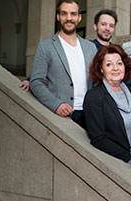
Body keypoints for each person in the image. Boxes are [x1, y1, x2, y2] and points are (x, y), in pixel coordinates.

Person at [29, 0, 97, 128]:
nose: (69, 18)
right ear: (58, 17)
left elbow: (96, 81)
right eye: (64, 14)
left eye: (73, 14)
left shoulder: (90, 47)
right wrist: (56, 105)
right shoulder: (45, 46)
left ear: (79, 17)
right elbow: (36, 82)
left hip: (89, 114)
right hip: (61, 114)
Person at [83, 45, 131, 162]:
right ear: (101, 69)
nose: (115, 68)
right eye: (109, 64)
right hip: (121, 162)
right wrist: (130, 158)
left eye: (119, 63)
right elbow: (98, 139)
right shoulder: (94, 97)